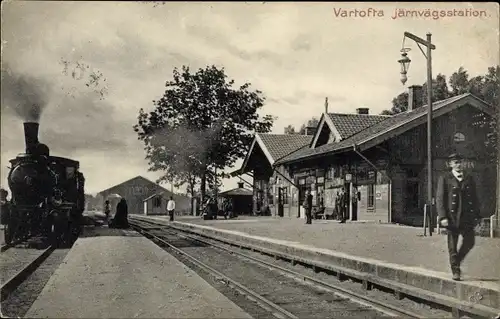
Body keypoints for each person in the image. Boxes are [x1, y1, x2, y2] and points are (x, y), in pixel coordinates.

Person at [436, 153, 480, 281]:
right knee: (452, 246)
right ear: (450, 165)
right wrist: (443, 216)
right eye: (455, 162)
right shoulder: (445, 178)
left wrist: (477, 215)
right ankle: (455, 270)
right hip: (452, 217)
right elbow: (440, 199)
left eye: (460, 162)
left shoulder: (469, 178)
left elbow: (474, 197)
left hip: (466, 217)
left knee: (470, 242)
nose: (458, 164)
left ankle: (457, 261)